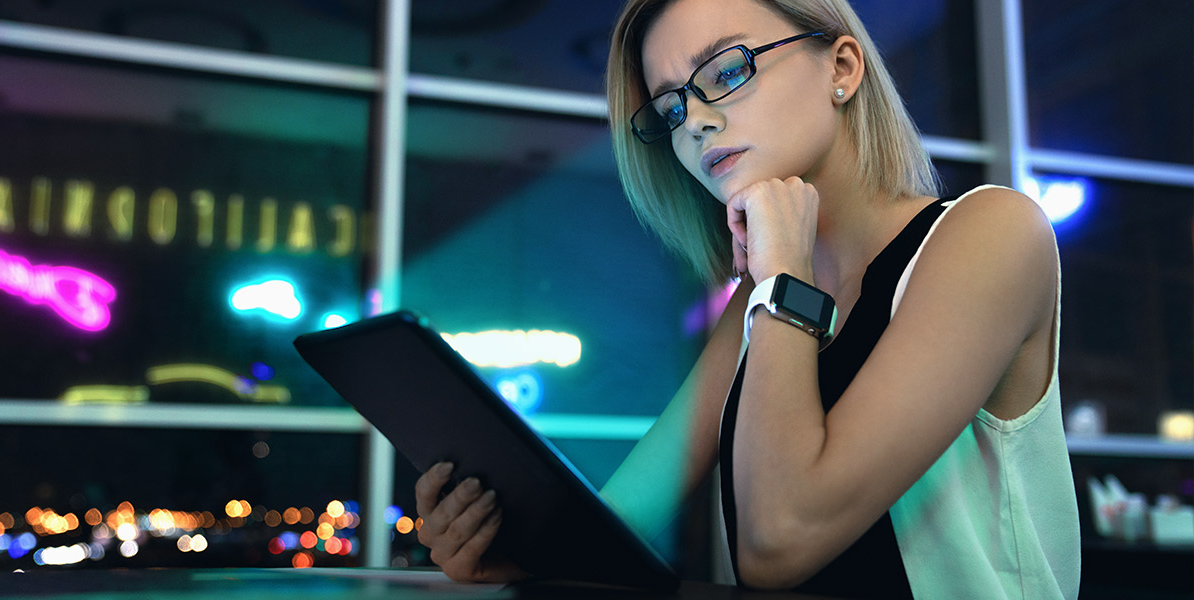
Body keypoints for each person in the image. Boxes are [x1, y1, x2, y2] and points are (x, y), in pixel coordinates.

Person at [413, 0, 1081, 597]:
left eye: (726, 73)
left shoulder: (992, 233)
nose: (695, 122)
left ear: (840, 68)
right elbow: (622, 520)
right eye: (671, 107)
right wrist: (513, 550)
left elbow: (779, 541)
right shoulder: (762, 298)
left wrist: (780, 277)